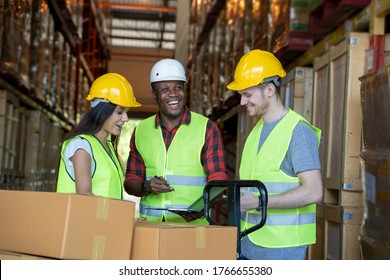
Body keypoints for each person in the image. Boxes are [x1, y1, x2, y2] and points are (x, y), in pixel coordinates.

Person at [226, 50, 323, 260]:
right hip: (249, 245)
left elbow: (314, 191)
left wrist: (260, 201)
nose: (243, 102)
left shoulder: (298, 132)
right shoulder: (255, 133)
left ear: (269, 89)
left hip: (282, 251)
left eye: (247, 94)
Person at [124, 58, 228, 223]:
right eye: (164, 89)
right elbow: (130, 182)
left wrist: (203, 208)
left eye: (178, 87)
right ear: (154, 95)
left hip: (192, 227)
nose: (173, 94)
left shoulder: (207, 128)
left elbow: (218, 178)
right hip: (150, 227)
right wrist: (147, 186)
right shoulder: (141, 131)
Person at [56, 73, 141, 199]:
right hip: (82, 219)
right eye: (119, 112)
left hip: (102, 218)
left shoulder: (108, 148)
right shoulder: (81, 146)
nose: (125, 118)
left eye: (126, 112)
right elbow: (84, 195)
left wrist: (122, 217)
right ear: (102, 110)